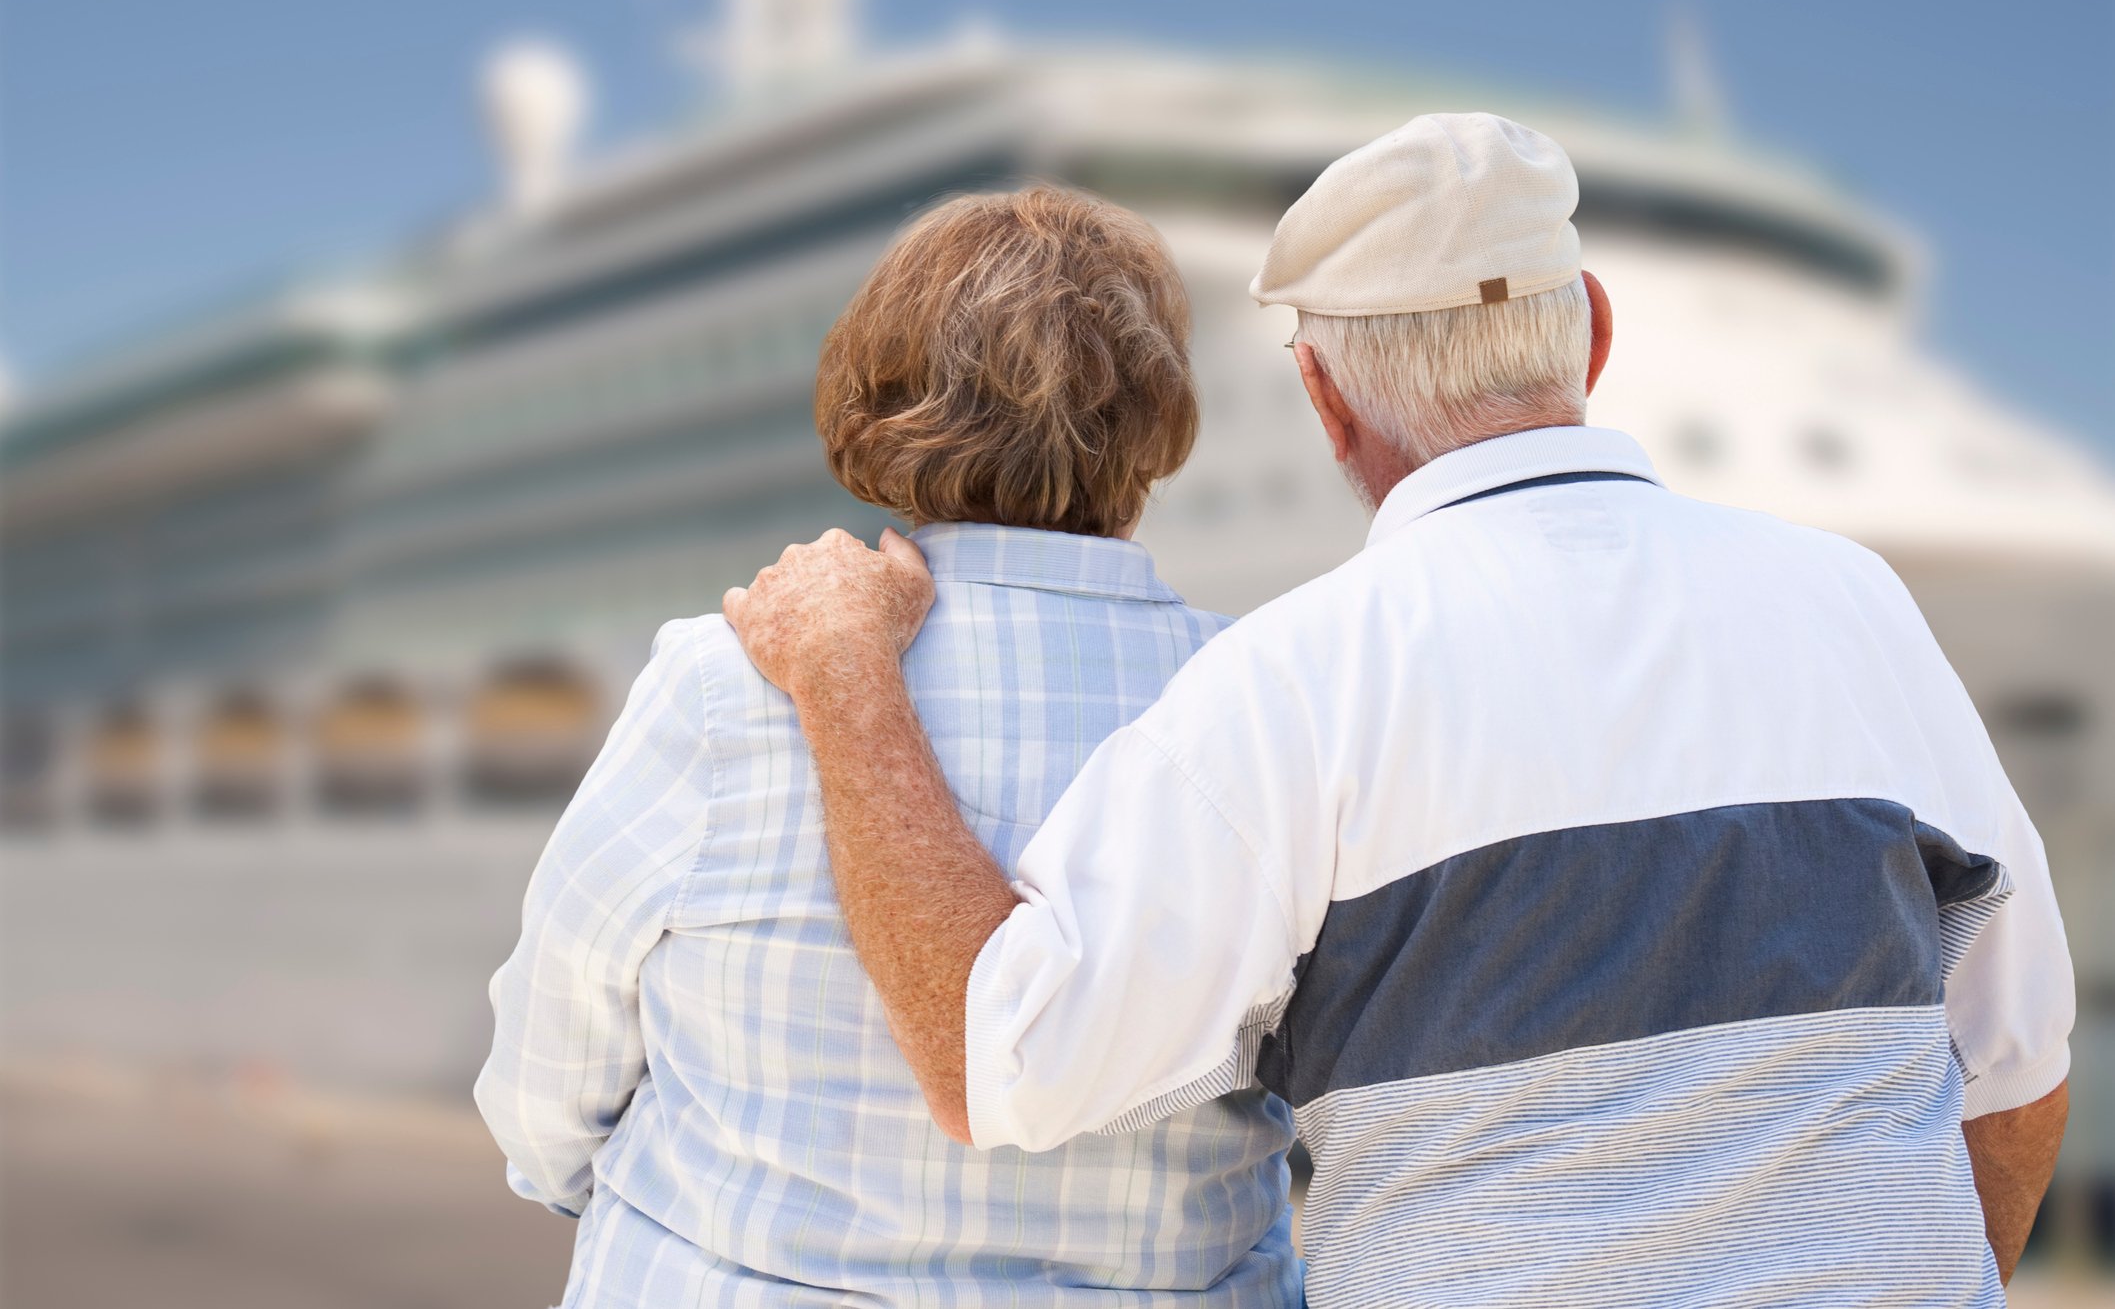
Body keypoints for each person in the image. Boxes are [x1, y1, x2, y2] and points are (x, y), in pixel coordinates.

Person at [721, 113, 2075, 1307]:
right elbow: (2012, 1070)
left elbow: (995, 1060)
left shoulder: (1294, 680)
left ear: (1317, 398)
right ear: (1591, 330)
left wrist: (845, 675)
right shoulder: (1850, 601)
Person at [476, 187, 1301, 1307]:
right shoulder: (1265, 701)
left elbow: (554, 1046)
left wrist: (616, 1202)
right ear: (1158, 414)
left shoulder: (726, 681)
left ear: (881, 393)